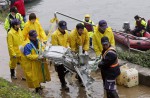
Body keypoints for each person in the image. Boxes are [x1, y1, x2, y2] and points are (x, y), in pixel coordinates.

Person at [51, 20, 69, 91]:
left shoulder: (66, 33)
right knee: (60, 70)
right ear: (59, 27)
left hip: (65, 54)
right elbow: (55, 46)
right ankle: (63, 84)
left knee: (67, 69)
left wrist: (67, 46)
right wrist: (63, 50)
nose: (64, 29)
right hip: (58, 55)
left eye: (65, 27)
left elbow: (68, 41)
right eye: (62, 27)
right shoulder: (54, 35)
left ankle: (63, 80)